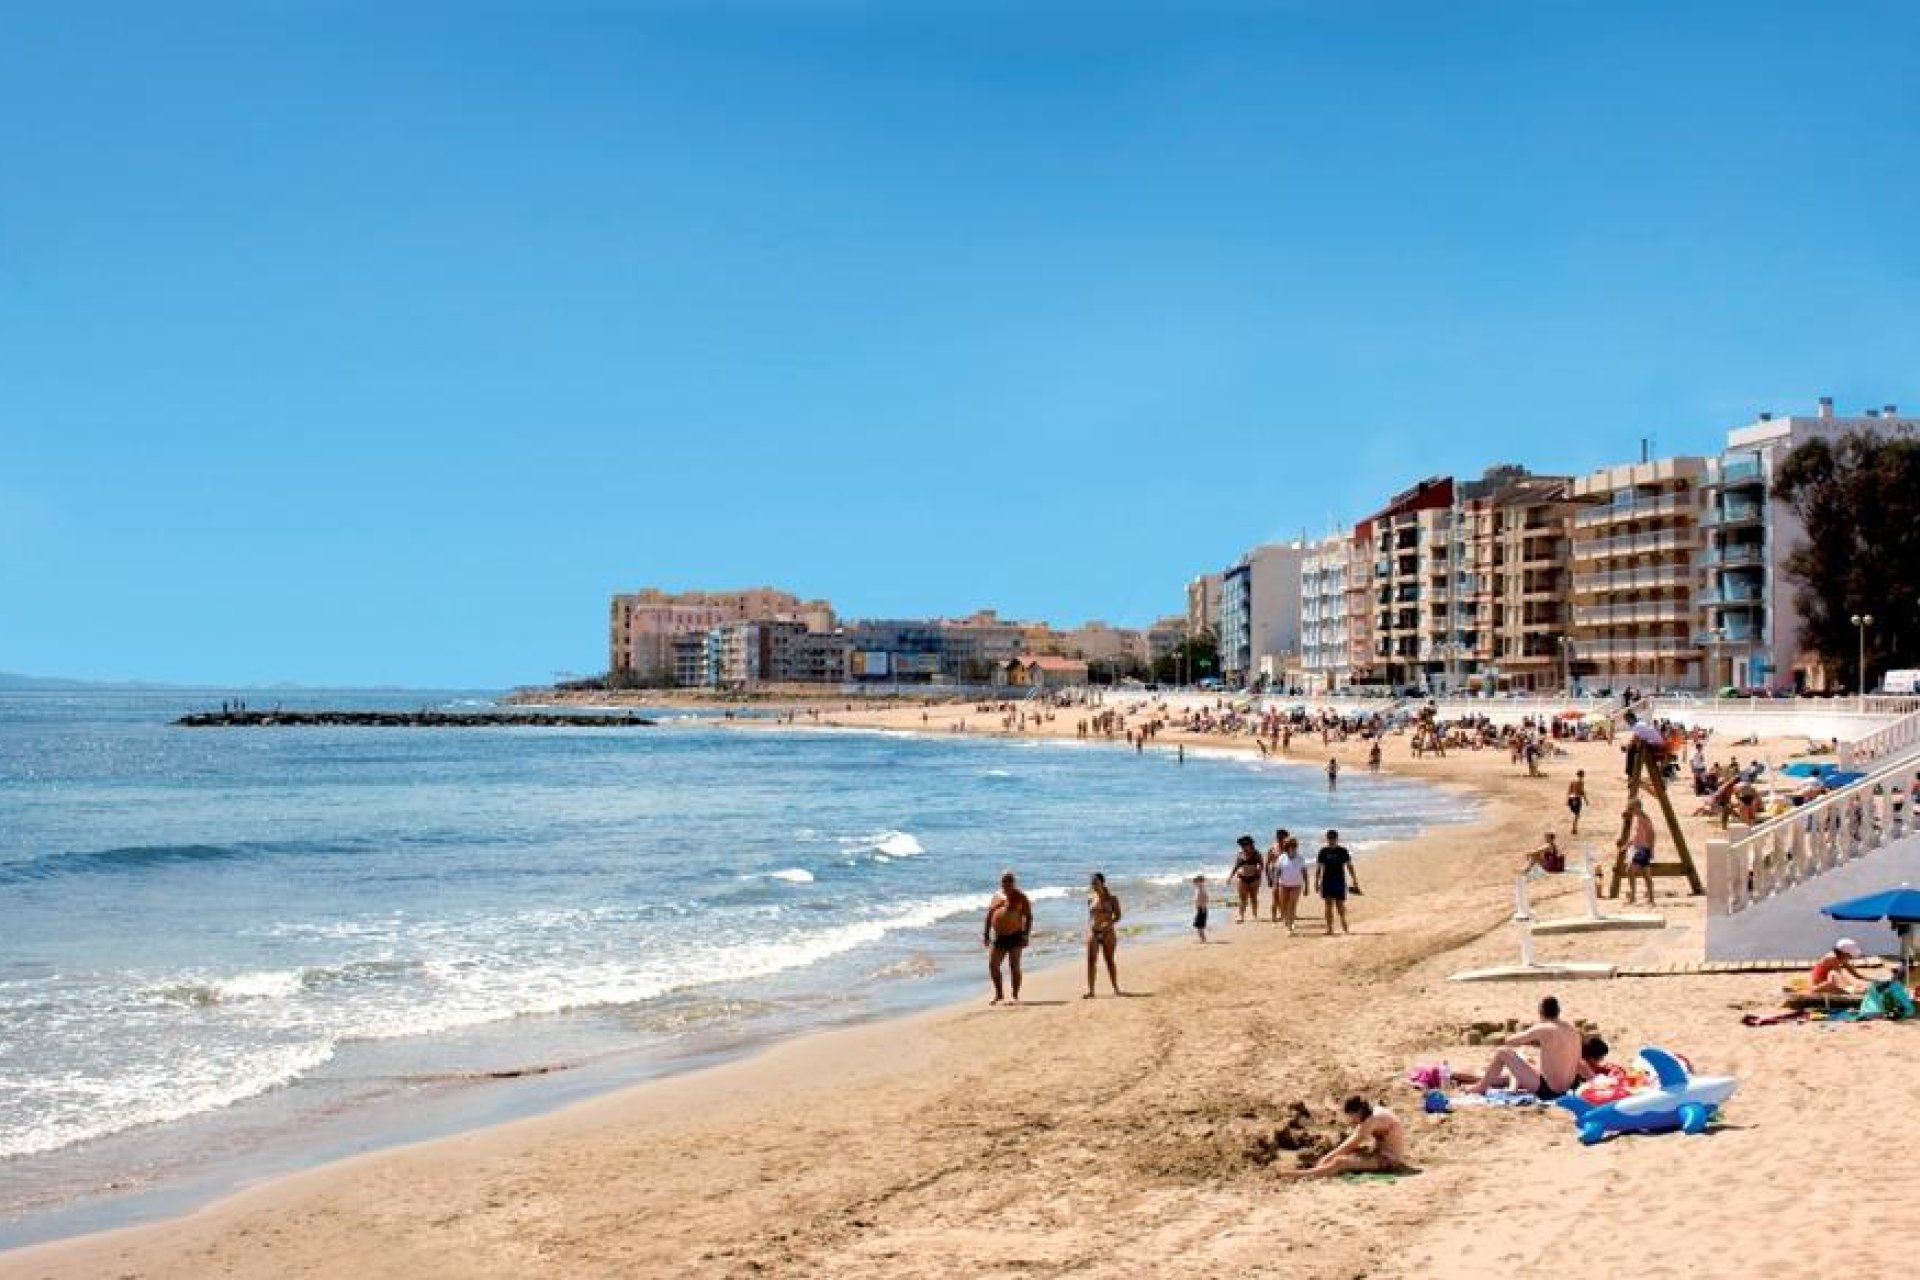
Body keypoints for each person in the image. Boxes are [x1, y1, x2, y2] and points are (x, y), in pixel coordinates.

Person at [1463, 995, 1583, 1100]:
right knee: (1529, 1063)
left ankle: (1480, 1087)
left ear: (1541, 1012)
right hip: (1568, 1088)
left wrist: (1525, 1040)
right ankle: (1487, 1083)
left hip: (1548, 1091)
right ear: (1558, 1011)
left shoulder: (1544, 1028)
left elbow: (1510, 1041)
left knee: (1502, 1053)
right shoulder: (1572, 1030)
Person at [1278, 1096, 1410, 1179]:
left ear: (1358, 1112)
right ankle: (1316, 1170)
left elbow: (1347, 1146)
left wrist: (1325, 1159)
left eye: (1351, 1116)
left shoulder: (1370, 1122)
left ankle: (1300, 1174)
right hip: (1382, 1152)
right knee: (1348, 1156)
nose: (1351, 1120)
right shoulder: (1374, 1114)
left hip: (1390, 1160)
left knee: (1341, 1162)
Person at [982, 871, 1033, 1005]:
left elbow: (1028, 917)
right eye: (1004, 881)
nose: (1007, 883)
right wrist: (986, 934)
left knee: (1014, 966)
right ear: (1001, 882)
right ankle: (999, 994)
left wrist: (1026, 935)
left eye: (1010, 881)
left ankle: (1015, 995)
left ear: (1014, 882)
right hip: (998, 937)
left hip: (1015, 935)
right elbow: (989, 916)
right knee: (993, 965)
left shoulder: (1021, 897)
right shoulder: (996, 896)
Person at [1084, 872, 1122, 998]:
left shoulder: (1112, 899)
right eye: (1092, 883)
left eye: (1096, 882)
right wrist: (1089, 929)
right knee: (1091, 961)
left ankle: (1116, 988)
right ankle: (1091, 991)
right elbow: (1090, 917)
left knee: (1109, 960)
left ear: (1102, 883)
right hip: (1093, 932)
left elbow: (1118, 916)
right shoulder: (1090, 899)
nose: (1093, 885)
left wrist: (1108, 923)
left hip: (1108, 932)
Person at [1315, 829, 1359, 935]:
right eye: (1329, 839)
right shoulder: (1323, 851)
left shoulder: (1342, 851)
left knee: (1340, 904)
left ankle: (1343, 920)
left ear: (1337, 839)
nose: (1331, 841)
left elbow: (1349, 866)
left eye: (1333, 839)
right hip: (1327, 881)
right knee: (1328, 904)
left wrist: (1354, 879)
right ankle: (1330, 928)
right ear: (1327, 839)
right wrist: (1316, 881)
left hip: (1339, 881)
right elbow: (1319, 868)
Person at [1617, 798, 1656, 905]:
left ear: (1638, 808)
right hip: (1640, 848)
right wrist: (1626, 846)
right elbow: (1635, 836)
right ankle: (1651, 899)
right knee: (1646, 875)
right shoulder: (1638, 818)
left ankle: (1634, 897)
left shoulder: (1644, 818)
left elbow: (1652, 834)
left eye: (1632, 808)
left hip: (1642, 849)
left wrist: (1651, 849)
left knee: (1631, 870)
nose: (1630, 810)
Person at [1272, 831, 1309, 932]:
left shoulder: (1300, 858)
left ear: (1296, 847)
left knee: (1292, 903)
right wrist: (1275, 885)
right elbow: (1277, 872)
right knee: (1284, 904)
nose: (1291, 848)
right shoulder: (1282, 858)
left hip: (1296, 885)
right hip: (1283, 885)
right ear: (1286, 848)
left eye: (1293, 846)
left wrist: (1307, 887)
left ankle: (1291, 924)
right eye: (1289, 846)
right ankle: (1287, 920)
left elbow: (1305, 873)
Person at [1229, 835, 1265, 923]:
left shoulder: (1256, 854)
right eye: (1242, 845)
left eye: (1245, 845)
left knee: (1253, 897)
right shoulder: (1240, 854)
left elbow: (1261, 865)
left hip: (1254, 879)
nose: (1243, 847)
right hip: (1242, 878)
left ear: (1250, 844)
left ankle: (1255, 915)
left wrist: (1259, 869)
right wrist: (1230, 877)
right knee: (1242, 898)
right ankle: (1241, 916)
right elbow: (1236, 867)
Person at [1566, 769, 1587, 835]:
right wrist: (1586, 800)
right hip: (1576, 798)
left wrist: (1567, 800)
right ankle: (1574, 829)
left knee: (1575, 814)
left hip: (1571, 798)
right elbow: (1582, 792)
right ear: (1582, 775)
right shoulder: (1580, 782)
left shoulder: (1572, 781)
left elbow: (1569, 791)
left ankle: (1574, 828)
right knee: (1577, 815)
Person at [1191, 874, 1209, 943]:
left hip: (1202, 909)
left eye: (1196, 882)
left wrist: (1203, 907)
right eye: (1194, 882)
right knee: (1199, 925)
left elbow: (1206, 899)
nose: (1194, 883)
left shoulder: (1201, 890)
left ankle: (1203, 939)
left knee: (1199, 925)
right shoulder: (1199, 889)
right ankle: (1202, 938)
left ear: (1200, 882)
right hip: (1200, 909)